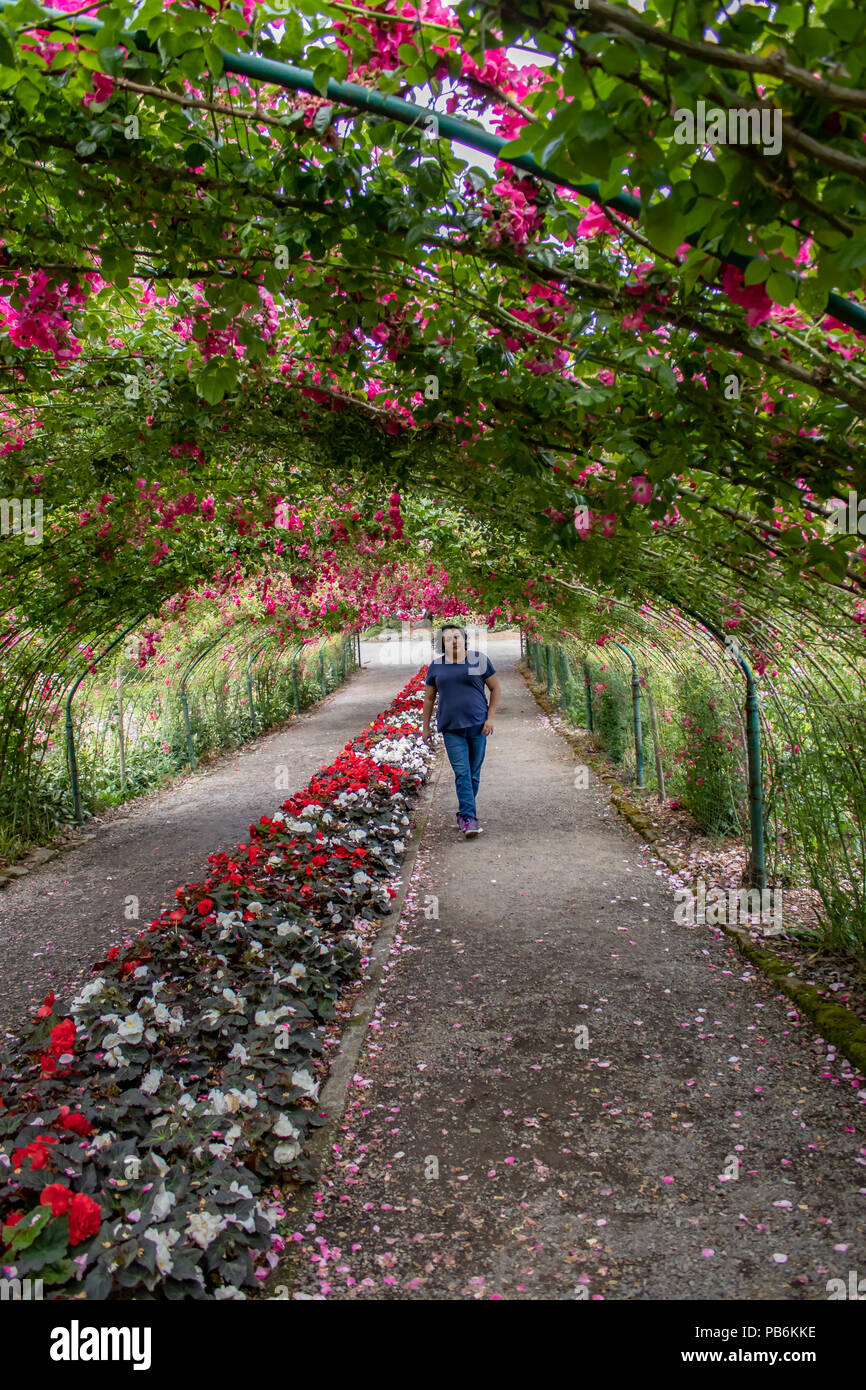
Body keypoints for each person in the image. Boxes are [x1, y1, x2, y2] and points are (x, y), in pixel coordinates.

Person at [422, 624, 501, 838]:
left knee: (473, 774)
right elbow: (429, 698)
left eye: (457, 636)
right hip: (451, 728)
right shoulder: (437, 666)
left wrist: (490, 718)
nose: (453, 641)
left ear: (464, 639)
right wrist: (426, 727)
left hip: (478, 726)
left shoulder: (478, 660)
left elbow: (495, 689)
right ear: (442, 644)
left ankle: (464, 814)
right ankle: (469, 819)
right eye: (448, 639)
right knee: (462, 773)